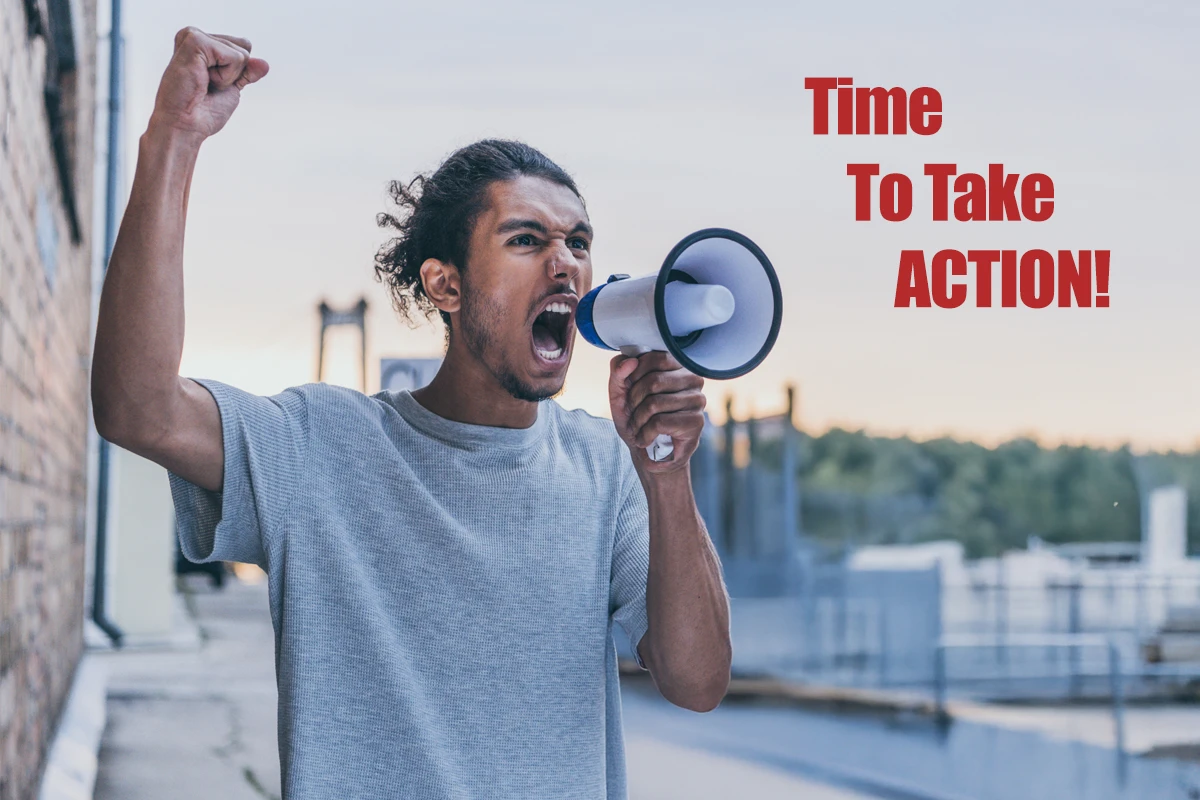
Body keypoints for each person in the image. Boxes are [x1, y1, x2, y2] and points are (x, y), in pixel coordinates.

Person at [91, 26, 732, 800]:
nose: (566, 262)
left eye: (579, 242)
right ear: (446, 285)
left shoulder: (609, 470)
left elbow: (697, 682)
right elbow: (136, 407)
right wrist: (173, 138)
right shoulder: (319, 446)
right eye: (527, 239)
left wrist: (665, 473)